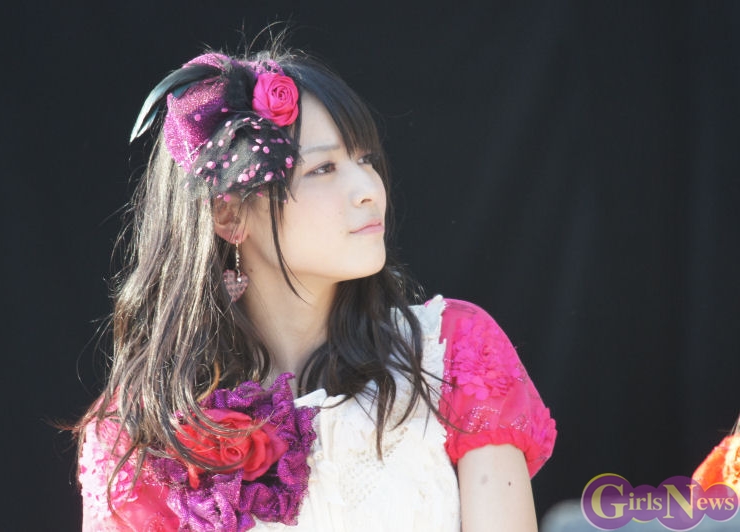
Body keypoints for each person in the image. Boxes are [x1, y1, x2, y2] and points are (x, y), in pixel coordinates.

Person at [76, 40, 557, 532]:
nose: (369, 190)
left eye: (365, 159)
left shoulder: (451, 351)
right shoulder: (138, 433)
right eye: (323, 168)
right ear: (229, 214)